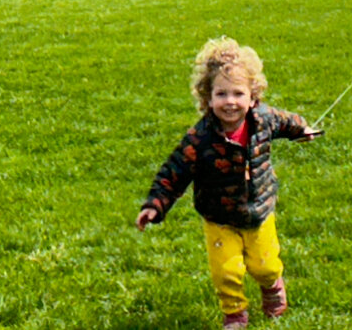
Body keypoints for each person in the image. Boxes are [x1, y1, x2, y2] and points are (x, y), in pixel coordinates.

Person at [136, 37, 321, 328]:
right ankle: (234, 312)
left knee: (265, 265)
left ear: (252, 97)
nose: (230, 102)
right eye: (221, 94)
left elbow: (286, 121)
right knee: (226, 272)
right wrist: (155, 205)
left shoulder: (263, 120)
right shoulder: (200, 138)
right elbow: (174, 171)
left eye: (238, 93)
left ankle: (272, 287)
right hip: (219, 217)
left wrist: (302, 129)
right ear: (208, 98)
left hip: (258, 211)